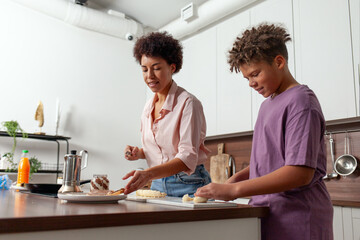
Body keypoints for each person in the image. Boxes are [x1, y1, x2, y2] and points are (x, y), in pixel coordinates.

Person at [195, 23, 333, 240]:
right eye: (246, 78)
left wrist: (235, 191)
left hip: (298, 217)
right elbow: (268, 161)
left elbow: (300, 172)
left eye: (255, 74)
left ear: (279, 62)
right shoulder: (267, 104)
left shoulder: (301, 101)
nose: (251, 83)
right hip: (269, 212)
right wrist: (233, 181)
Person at [122, 31, 211, 197]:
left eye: (156, 68)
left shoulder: (188, 103)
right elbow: (162, 151)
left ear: (172, 67)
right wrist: (140, 153)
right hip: (157, 183)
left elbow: (187, 157)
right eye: (144, 69)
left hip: (189, 183)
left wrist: (148, 174)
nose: (149, 76)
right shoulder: (148, 107)